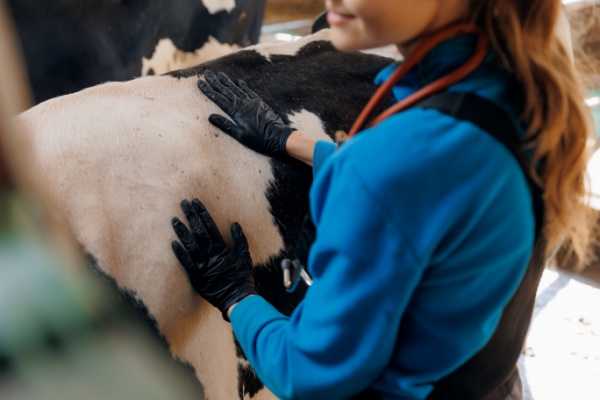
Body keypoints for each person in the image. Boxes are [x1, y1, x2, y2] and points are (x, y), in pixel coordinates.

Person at [169, 0, 596, 398]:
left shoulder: (393, 164)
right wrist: (293, 142)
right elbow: (434, 190)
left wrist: (237, 299)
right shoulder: (510, 89)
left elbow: (308, 374)